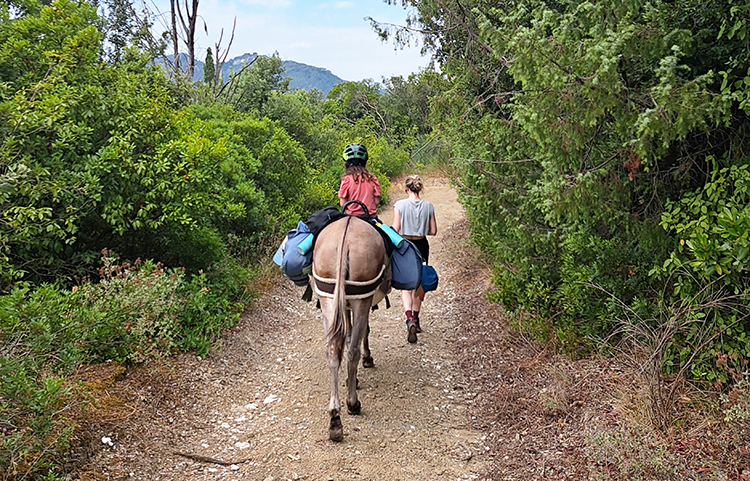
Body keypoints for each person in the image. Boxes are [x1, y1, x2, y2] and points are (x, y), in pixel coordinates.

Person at [393, 174, 437, 344]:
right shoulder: (429, 206)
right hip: (422, 245)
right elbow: (433, 231)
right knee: (420, 283)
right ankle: (417, 321)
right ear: (420, 189)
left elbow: (396, 229)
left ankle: (409, 318)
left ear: (406, 189)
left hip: (405, 246)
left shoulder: (399, 205)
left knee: (406, 283)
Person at [338, 143, 381, 217]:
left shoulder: (346, 180)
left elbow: (342, 204)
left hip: (351, 217)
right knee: (382, 228)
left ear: (347, 163)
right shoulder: (372, 178)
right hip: (370, 217)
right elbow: (376, 201)